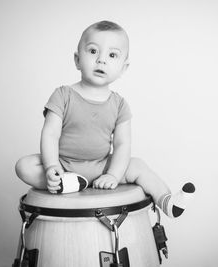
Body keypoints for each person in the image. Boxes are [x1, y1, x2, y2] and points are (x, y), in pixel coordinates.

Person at [15, 20, 195, 218]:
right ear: (77, 59)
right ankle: (65, 182)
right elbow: (50, 134)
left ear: (123, 68)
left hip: (101, 166)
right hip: (63, 164)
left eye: (112, 55)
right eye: (93, 51)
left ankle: (166, 201)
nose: (101, 60)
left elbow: (122, 145)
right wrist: (51, 166)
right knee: (24, 166)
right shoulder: (62, 95)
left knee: (139, 166)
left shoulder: (119, 105)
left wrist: (113, 175)